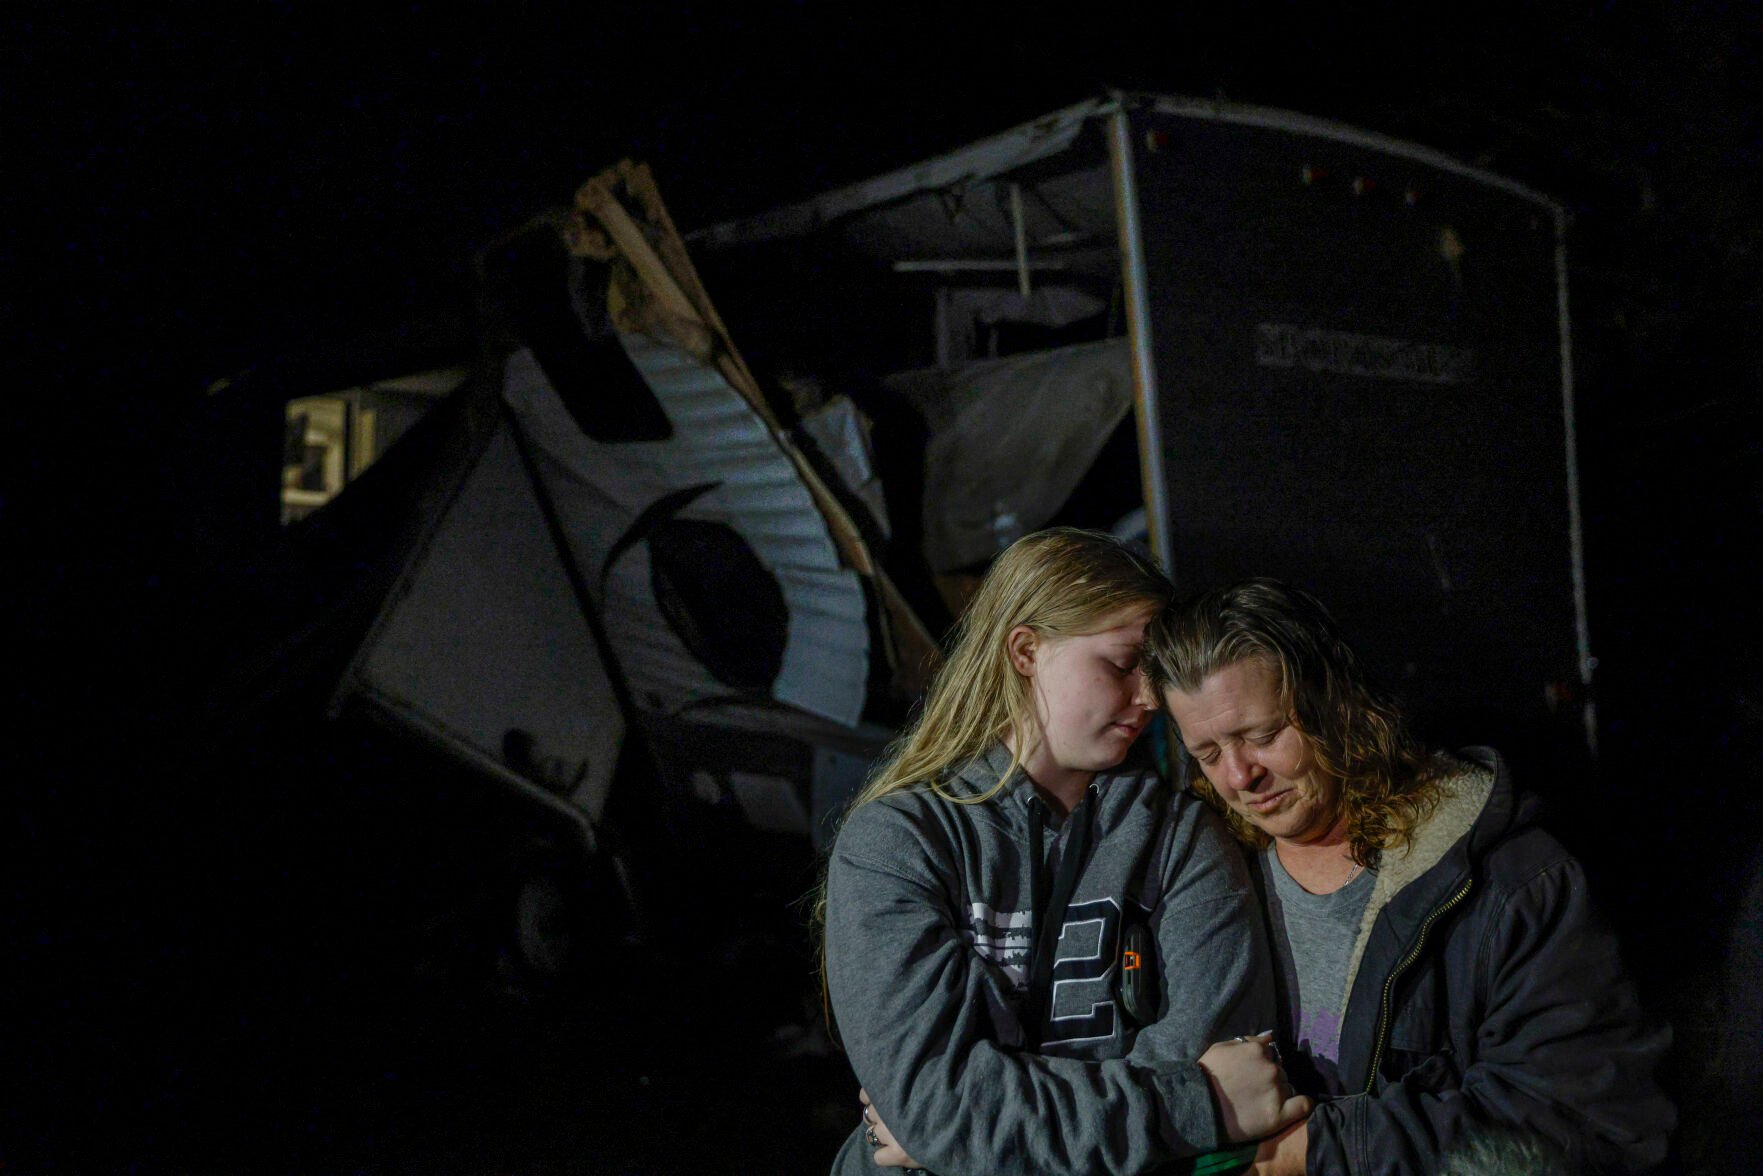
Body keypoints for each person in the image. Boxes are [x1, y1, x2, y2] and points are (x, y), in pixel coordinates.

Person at [1146, 578, 1675, 1175]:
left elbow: (1581, 1121)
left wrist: (1320, 1151)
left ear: (1337, 703)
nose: (1241, 776)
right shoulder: (1204, 883)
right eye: (1209, 754)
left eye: (1263, 736)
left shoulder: (1513, 882)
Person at [822, 529, 1310, 1174]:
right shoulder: (897, 841)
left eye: (1157, 674)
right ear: (1026, 650)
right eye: (1122, 662)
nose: (1150, 697)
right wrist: (1199, 1103)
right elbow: (942, 1108)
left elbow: (1230, 1052)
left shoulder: (1181, 837)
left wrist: (970, 1137)